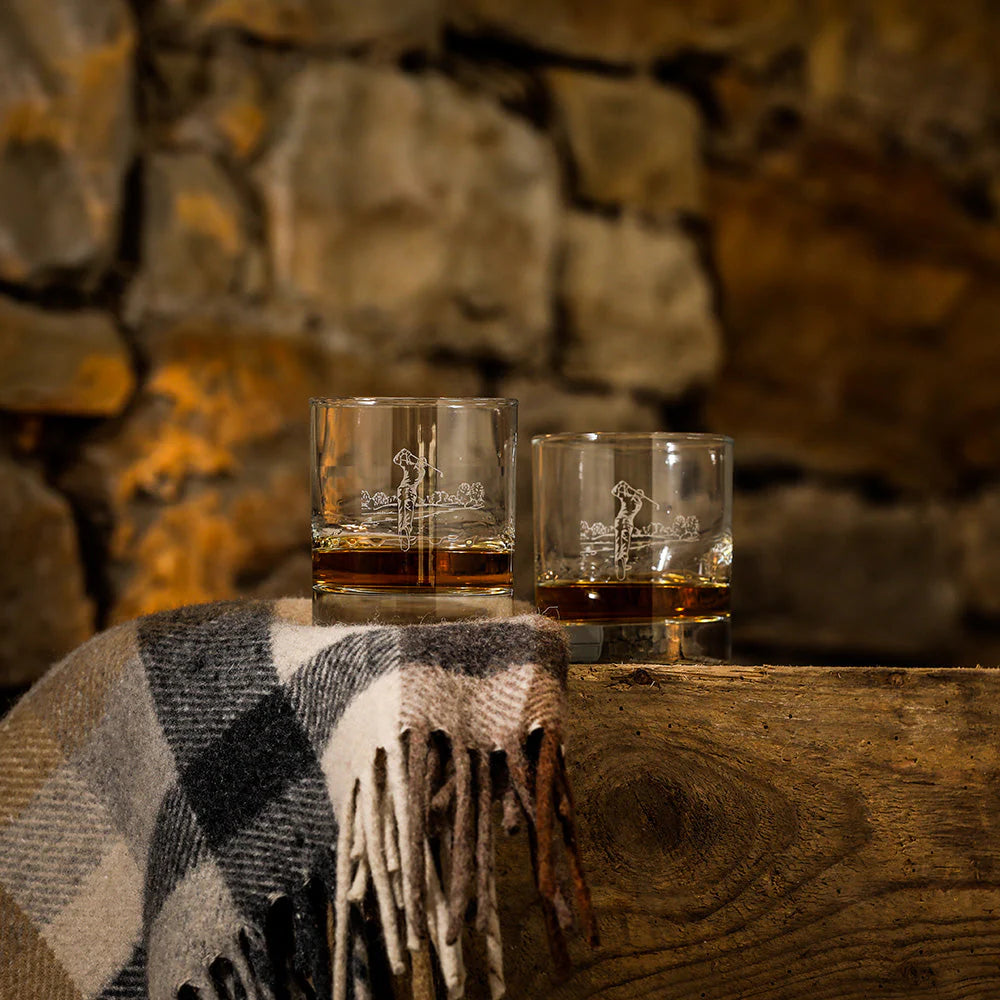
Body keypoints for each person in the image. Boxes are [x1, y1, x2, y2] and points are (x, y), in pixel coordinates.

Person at [611, 480, 657, 579]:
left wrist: (620, 485)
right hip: (627, 522)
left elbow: (614, 492)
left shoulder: (627, 497)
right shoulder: (639, 504)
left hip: (618, 521)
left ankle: (617, 561)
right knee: (625, 542)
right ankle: (622, 558)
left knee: (618, 541)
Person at [393, 448, 438, 550]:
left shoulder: (413, 468)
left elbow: (396, 460)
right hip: (409, 491)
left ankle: (402, 531)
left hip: (402, 489)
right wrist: (406, 455)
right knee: (407, 510)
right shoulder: (420, 470)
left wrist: (403, 453)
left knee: (402, 510)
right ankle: (405, 530)